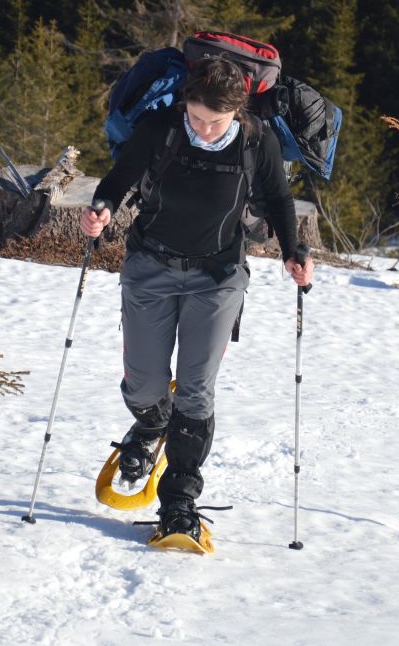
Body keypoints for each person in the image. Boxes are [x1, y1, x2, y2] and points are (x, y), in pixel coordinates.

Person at [80, 55, 314, 543]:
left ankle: (180, 500)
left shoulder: (256, 141)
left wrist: (294, 251)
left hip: (218, 276)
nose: (204, 130)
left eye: (216, 121)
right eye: (197, 117)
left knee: (195, 389)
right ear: (185, 102)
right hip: (149, 267)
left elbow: (278, 198)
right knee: (143, 385)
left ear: (237, 112)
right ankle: (150, 425)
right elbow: (119, 179)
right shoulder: (161, 128)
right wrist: (101, 209)